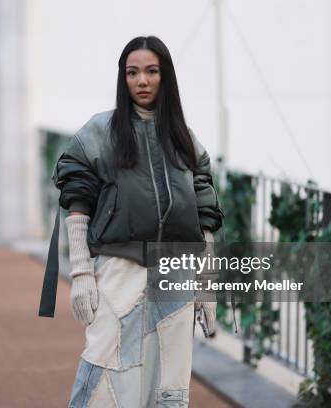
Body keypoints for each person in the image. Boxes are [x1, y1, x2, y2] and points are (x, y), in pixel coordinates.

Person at [39, 36, 226, 407]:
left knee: (167, 384)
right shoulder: (100, 131)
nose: (142, 81)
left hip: (176, 274)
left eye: (152, 71)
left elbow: (205, 213)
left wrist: (206, 282)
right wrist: (81, 272)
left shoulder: (185, 140)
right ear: (123, 79)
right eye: (133, 72)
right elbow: (77, 199)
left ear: (165, 77)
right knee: (103, 373)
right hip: (118, 273)